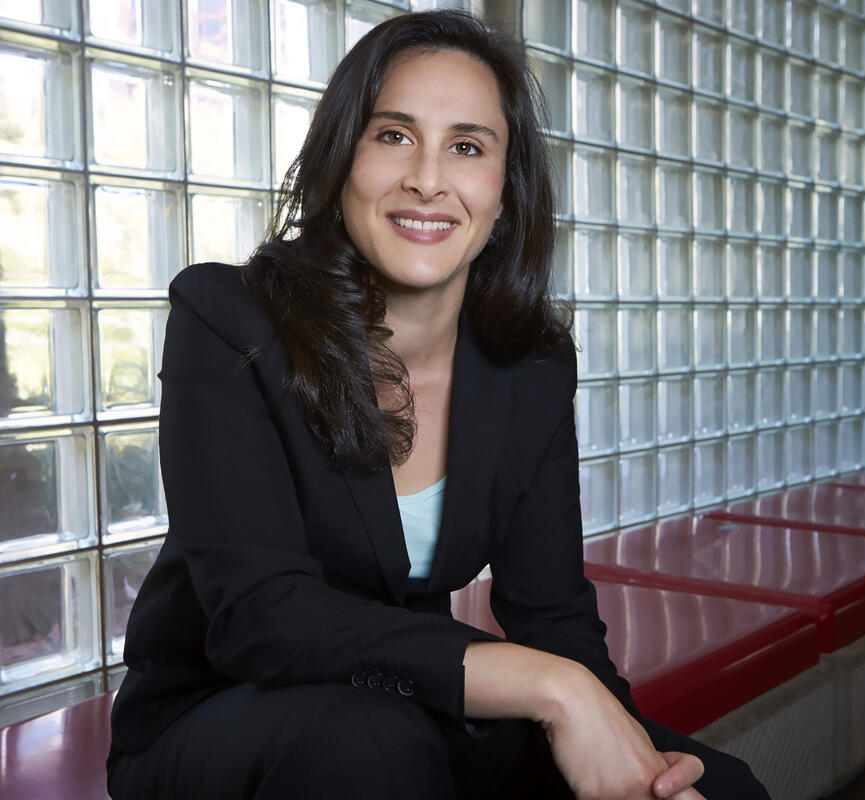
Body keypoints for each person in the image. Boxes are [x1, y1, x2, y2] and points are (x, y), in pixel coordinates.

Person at [106, 10, 770, 800]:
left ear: (503, 188)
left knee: (723, 789)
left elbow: (552, 613)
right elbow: (262, 616)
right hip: (221, 717)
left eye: (466, 146)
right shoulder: (229, 319)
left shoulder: (530, 366)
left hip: (400, 699)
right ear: (342, 158)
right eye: (392, 135)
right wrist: (551, 689)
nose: (428, 178)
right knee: (369, 748)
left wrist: (618, 745)